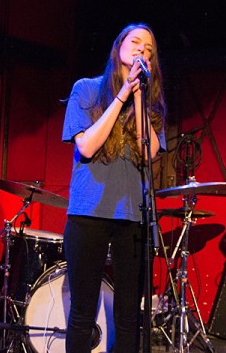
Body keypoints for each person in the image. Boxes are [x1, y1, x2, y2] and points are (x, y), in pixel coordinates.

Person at [62, 23, 166, 352]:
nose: (142, 51)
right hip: (88, 212)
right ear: (119, 46)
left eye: (149, 49)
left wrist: (138, 98)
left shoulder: (150, 106)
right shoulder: (86, 90)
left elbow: (149, 152)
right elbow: (88, 147)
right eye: (135, 42)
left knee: (127, 316)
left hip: (133, 216)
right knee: (82, 312)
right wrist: (122, 96)